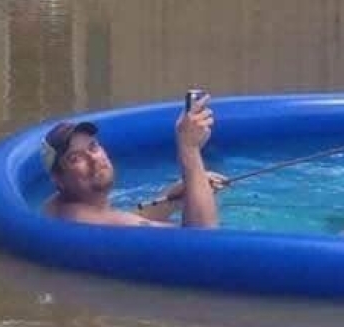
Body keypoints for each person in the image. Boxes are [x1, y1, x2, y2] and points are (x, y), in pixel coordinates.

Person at [42, 93, 223, 228]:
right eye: (75, 158)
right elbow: (200, 238)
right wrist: (189, 149)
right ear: (58, 180)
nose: (92, 158)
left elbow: (124, 218)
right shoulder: (88, 220)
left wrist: (174, 196)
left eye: (93, 147)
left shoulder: (65, 207)